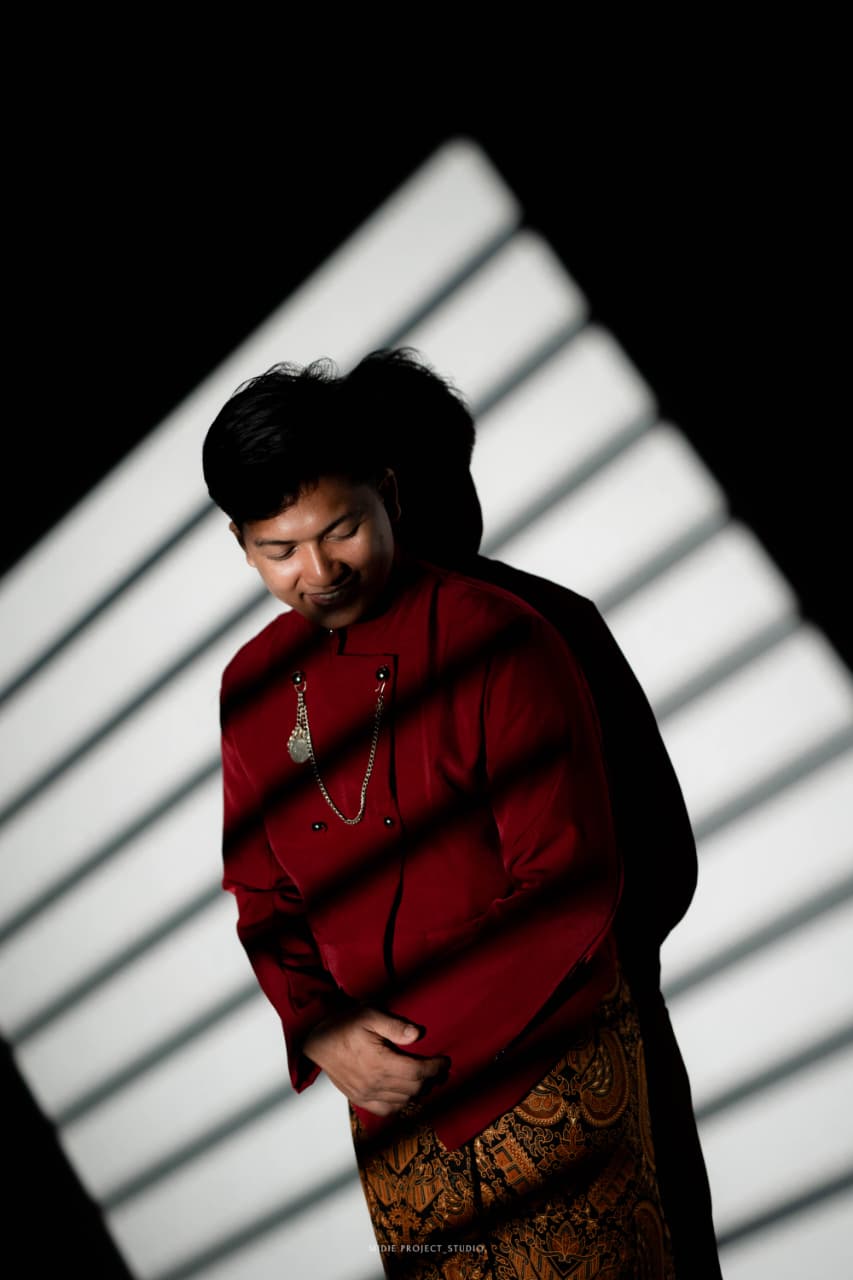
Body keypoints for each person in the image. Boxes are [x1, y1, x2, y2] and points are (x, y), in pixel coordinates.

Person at [201, 354, 719, 1278]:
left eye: (342, 524)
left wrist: (495, 1013)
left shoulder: (527, 624)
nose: (319, 565)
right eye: (283, 543)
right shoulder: (259, 682)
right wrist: (330, 1033)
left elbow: (635, 869)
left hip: (565, 1048)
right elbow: (264, 893)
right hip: (394, 1109)